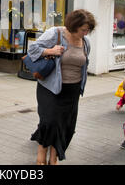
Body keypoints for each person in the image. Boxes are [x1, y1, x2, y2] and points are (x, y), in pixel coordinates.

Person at [28, 9, 96, 165]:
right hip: (50, 87)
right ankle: (42, 150)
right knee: (49, 121)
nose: (86, 33)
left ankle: (54, 156)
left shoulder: (86, 42)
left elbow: (84, 63)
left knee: (66, 126)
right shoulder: (56, 33)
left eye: (88, 30)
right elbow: (32, 49)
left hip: (72, 89)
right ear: (74, 25)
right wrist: (50, 51)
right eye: (83, 29)